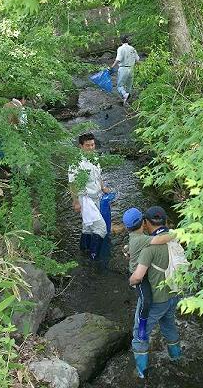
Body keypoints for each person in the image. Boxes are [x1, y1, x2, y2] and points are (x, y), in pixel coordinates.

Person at [129, 206, 182, 379]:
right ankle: (177, 358)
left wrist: (131, 281)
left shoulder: (148, 249)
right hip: (174, 295)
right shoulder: (175, 239)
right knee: (168, 325)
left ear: (146, 223)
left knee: (140, 335)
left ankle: (141, 373)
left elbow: (137, 277)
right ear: (165, 221)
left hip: (156, 301)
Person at [122, 207, 174, 341]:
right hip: (166, 290)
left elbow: (136, 274)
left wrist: (131, 281)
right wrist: (175, 234)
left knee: (146, 301)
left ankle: (141, 329)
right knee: (147, 300)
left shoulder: (138, 238)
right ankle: (143, 327)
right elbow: (159, 240)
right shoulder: (142, 240)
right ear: (143, 222)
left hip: (142, 276)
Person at [68, 133, 110, 261]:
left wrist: (103, 187)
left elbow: (98, 175)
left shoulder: (94, 158)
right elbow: (72, 184)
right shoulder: (76, 163)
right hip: (85, 199)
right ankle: (94, 258)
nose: (91, 148)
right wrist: (75, 202)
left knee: (87, 226)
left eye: (92, 145)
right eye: (87, 145)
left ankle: (83, 250)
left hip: (97, 196)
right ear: (81, 146)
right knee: (101, 229)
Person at [110, 35, 140, 105]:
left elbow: (118, 59)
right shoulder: (132, 48)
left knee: (120, 86)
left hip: (123, 69)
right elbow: (137, 60)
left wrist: (111, 67)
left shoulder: (120, 48)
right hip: (131, 69)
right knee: (129, 86)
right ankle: (128, 102)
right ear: (128, 41)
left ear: (121, 41)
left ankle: (125, 95)